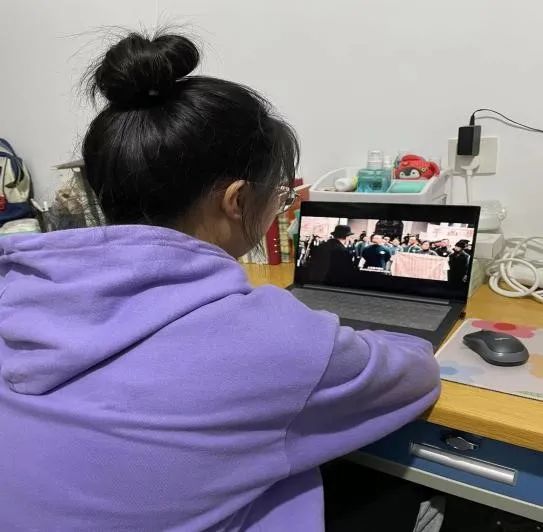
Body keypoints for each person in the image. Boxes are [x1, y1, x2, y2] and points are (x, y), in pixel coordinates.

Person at [0, 31, 440, 531]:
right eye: (279, 195)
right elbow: (416, 374)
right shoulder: (272, 339)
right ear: (237, 200)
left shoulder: (18, 293)